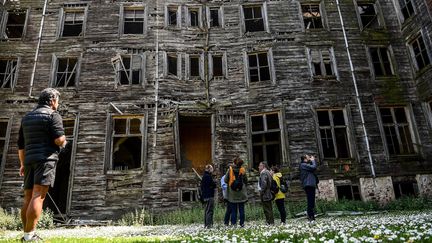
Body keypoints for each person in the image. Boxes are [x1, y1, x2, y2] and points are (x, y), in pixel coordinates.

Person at [18, 88, 67, 242]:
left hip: (29, 160)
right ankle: (30, 236)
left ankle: (26, 235)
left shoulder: (27, 118)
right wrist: (64, 142)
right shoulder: (53, 115)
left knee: (28, 197)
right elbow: (59, 140)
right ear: (52, 100)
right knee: (38, 196)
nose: (58, 104)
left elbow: (21, 145)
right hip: (45, 159)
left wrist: (22, 164)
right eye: (57, 101)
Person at [224, 157, 248, 227]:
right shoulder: (242, 170)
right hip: (241, 193)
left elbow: (225, 180)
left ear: (234, 162)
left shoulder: (230, 170)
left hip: (232, 194)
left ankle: (234, 224)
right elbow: (246, 181)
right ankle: (242, 224)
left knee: (234, 210)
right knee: (241, 210)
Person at [299, 155, 318, 222]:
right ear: (304, 159)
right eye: (308, 157)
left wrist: (311, 161)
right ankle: (310, 216)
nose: (309, 158)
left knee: (312, 201)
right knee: (310, 201)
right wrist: (313, 160)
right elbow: (314, 167)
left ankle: (311, 216)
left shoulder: (305, 165)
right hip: (308, 184)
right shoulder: (303, 165)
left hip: (310, 184)